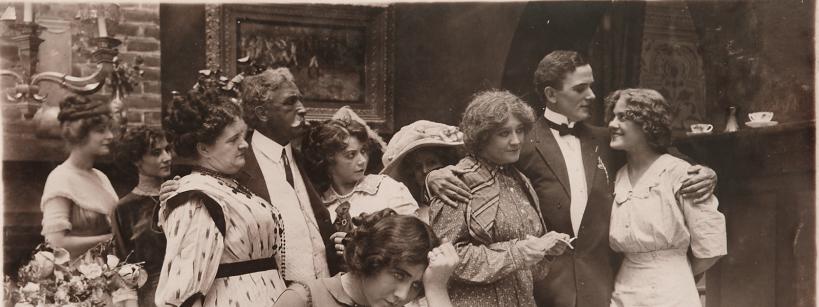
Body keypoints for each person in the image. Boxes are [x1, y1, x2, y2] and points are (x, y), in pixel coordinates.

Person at [428, 50, 718, 307]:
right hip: (541, 289)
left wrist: (705, 172)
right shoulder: (519, 143)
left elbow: (660, 156)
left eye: (590, 86)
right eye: (580, 88)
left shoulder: (609, 140)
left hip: (605, 287)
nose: (592, 95)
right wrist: (433, 176)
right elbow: (474, 167)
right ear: (552, 94)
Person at [161, 68, 338, 283]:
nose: (302, 109)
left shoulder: (309, 160)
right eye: (290, 102)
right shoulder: (230, 164)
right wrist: (167, 198)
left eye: (300, 100)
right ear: (263, 113)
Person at [431, 90, 571, 307]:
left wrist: (545, 252)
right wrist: (517, 252)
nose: (516, 141)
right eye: (504, 133)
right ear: (481, 137)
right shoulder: (457, 181)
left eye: (520, 130)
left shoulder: (519, 180)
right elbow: (447, 261)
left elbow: (527, 268)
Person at [155, 87, 287, 306]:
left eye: (244, 135)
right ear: (204, 149)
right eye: (233, 139)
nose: (244, 144)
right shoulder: (196, 198)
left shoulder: (229, 183)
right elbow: (186, 291)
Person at [605, 88, 726, 307]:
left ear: (647, 124)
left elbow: (711, 246)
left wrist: (674, 270)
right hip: (624, 290)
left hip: (670, 291)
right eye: (613, 116)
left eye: (622, 117)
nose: (612, 124)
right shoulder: (618, 175)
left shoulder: (680, 173)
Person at [274, 209, 460, 307]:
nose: (402, 295)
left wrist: (436, 289)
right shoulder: (304, 299)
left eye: (416, 285)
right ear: (371, 259)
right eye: (398, 275)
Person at [40, 95, 117, 258]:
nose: (110, 136)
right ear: (80, 134)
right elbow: (56, 244)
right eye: (101, 130)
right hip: (75, 277)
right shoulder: (60, 178)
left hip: (106, 271)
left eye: (109, 129)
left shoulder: (101, 177)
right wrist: (111, 239)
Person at [303, 118, 419, 225]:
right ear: (329, 158)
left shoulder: (388, 189)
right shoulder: (316, 201)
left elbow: (412, 237)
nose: (362, 160)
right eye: (351, 155)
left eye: (363, 151)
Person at [110, 126, 173, 307]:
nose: (166, 157)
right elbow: (125, 267)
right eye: (156, 153)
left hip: (190, 291)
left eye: (167, 149)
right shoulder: (124, 209)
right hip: (153, 297)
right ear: (137, 160)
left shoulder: (180, 194)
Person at [380, 120, 464, 222]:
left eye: (432, 162)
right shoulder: (409, 209)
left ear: (446, 162)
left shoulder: (461, 196)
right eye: (417, 166)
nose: (425, 170)